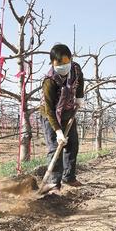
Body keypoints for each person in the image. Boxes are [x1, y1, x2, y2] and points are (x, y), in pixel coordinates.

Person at [39, 44, 84, 194]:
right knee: (54, 149)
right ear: (52, 63)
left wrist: (79, 97)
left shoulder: (75, 68)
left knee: (72, 145)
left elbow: (80, 81)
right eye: (59, 64)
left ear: (70, 59)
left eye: (66, 62)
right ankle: (53, 184)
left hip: (68, 111)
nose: (63, 66)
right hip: (51, 115)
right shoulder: (49, 81)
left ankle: (69, 177)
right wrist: (58, 131)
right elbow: (49, 110)